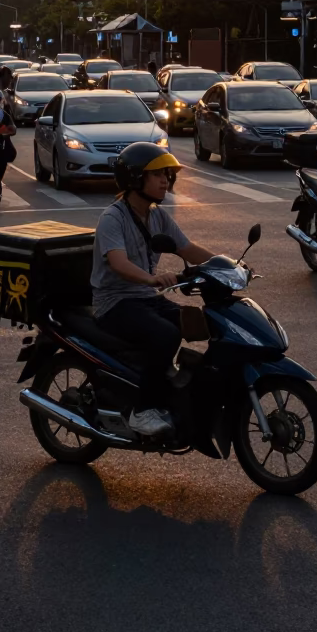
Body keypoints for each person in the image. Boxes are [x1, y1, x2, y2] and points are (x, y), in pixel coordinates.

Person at [92, 142, 213, 439]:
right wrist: (152, 279)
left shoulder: (157, 215)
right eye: (157, 175)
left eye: (167, 175)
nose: (165, 181)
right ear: (135, 179)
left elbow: (187, 248)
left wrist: (227, 265)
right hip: (114, 302)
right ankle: (142, 411)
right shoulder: (113, 217)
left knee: (197, 322)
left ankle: (169, 390)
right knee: (165, 334)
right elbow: (118, 263)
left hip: (145, 299)